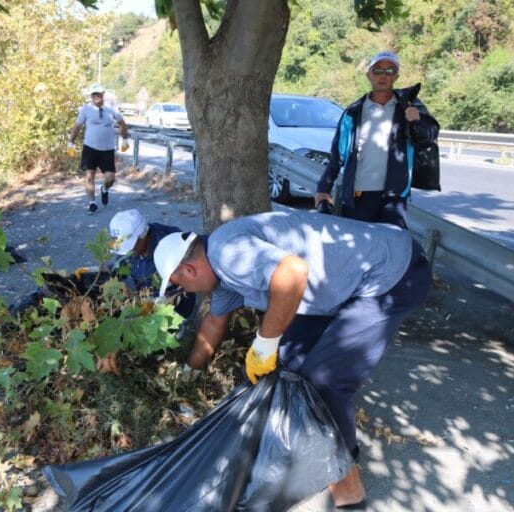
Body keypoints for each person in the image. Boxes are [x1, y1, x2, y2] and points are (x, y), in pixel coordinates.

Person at [153, 205, 432, 508]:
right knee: (288, 363)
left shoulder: (227, 253)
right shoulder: (222, 278)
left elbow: (293, 272)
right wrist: (189, 372)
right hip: (342, 283)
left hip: (391, 273)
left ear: (189, 270)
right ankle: (296, 447)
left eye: (181, 284)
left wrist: (264, 344)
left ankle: (349, 488)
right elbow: (213, 323)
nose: (186, 291)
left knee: (323, 384)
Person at [315, 50, 440, 229]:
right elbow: (338, 155)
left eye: (390, 71)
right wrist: (323, 188)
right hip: (359, 193)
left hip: (394, 197)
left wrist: (417, 121)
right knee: (357, 243)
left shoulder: (408, 106)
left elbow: (428, 137)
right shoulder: (353, 112)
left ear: (396, 76)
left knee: (392, 243)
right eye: (378, 70)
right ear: (369, 75)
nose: (383, 76)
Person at [108, 209, 195, 318]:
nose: (127, 253)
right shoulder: (130, 247)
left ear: (143, 235)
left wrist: (157, 303)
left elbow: (186, 286)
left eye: (130, 247)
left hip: (174, 309)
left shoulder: (172, 244)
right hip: (143, 299)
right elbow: (119, 268)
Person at [68, 84, 130, 215]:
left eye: (99, 94)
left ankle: (104, 189)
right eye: (94, 94)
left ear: (103, 94)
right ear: (91, 96)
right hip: (90, 148)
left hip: (107, 149)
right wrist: (71, 143)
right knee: (89, 176)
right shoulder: (86, 109)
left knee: (110, 178)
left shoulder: (111, 108)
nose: (96, 96)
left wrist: (125, 139)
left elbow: (122, 124)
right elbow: (77, 126)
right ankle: (92, 203)